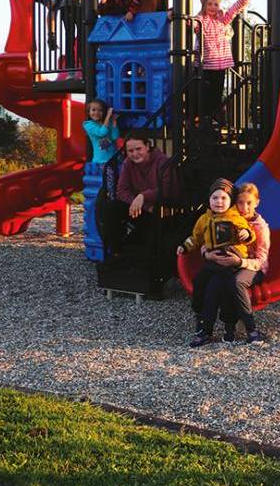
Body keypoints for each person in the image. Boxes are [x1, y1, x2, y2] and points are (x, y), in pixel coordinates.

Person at [178, 178, 255, 348]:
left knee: (213, 291)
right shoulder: (204, 220)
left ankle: (207, 331)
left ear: (230, 201)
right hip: (213, 262)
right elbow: (196, 238)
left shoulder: (234, 217)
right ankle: (199, 316)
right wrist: (185, 246)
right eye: (215, 198)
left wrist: (245, 234)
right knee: (199, 282)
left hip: (229, 262)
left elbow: (248, 232)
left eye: (223, 198)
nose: (219, 202)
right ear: (209, 200)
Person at [101, 132, 179, 259]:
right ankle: (116, 252)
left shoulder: (162, 162)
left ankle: (146, 260)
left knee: (149, 236)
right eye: (130, 150)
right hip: (142, 209)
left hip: (160, 210)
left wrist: (143, 196)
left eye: (138, 149)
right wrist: (139, 203)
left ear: (147, 146)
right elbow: (121, 191)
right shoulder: (128, 163)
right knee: (111, 208)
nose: (135, 154)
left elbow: (168, 190)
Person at [212, 182, 270, 345]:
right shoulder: (228, 220)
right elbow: (209, 238)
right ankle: (229, 328)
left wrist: (240, 262)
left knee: (237, 282)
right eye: (240, 202)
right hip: (232, 263)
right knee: (225, 278)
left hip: (253, 267)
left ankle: (252, 330)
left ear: (257, 202)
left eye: (249, 203)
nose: (244, 207)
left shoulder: (261, 227)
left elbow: (261, 259)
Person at [191, 0, 250, 124]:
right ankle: (202, 116)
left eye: (216, 4)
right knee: (205, 92)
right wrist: (190, 23)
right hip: (207, 64)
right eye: (209, 4)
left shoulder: (222, 20)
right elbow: (193, 25)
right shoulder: (201, 19)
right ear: (204, 5)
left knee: (217, 93)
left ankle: (211, 117)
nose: (213, 7)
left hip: (221, 63)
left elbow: (233, 11)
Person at [83, 98, 119, 164]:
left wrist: (113, 121)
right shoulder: (88, 124)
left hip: (113, 160)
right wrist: (108, 116)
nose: (96, 113)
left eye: (100, 110)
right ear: (88, 112)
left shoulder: (107, 123)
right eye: (93, 110)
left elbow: (115, 137)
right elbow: (101, 132)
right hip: (99, 161)